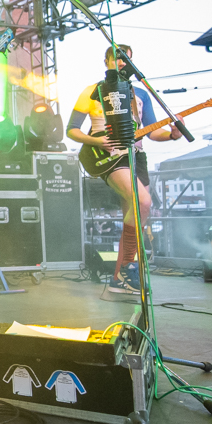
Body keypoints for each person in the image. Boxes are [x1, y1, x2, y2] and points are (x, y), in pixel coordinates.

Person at [66, 45, 177, 296]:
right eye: (116, 58)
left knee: (135, 216)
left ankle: (118, 280)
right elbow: (71, 130)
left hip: (137, 155)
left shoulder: (141, 94)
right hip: (109, 154)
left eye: (126, 58)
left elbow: (152, 131)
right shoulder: (93, 91)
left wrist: (172, 134)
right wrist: (96, 141)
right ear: (106, 62)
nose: (122, 62)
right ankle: (128, 265)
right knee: (143, 202)